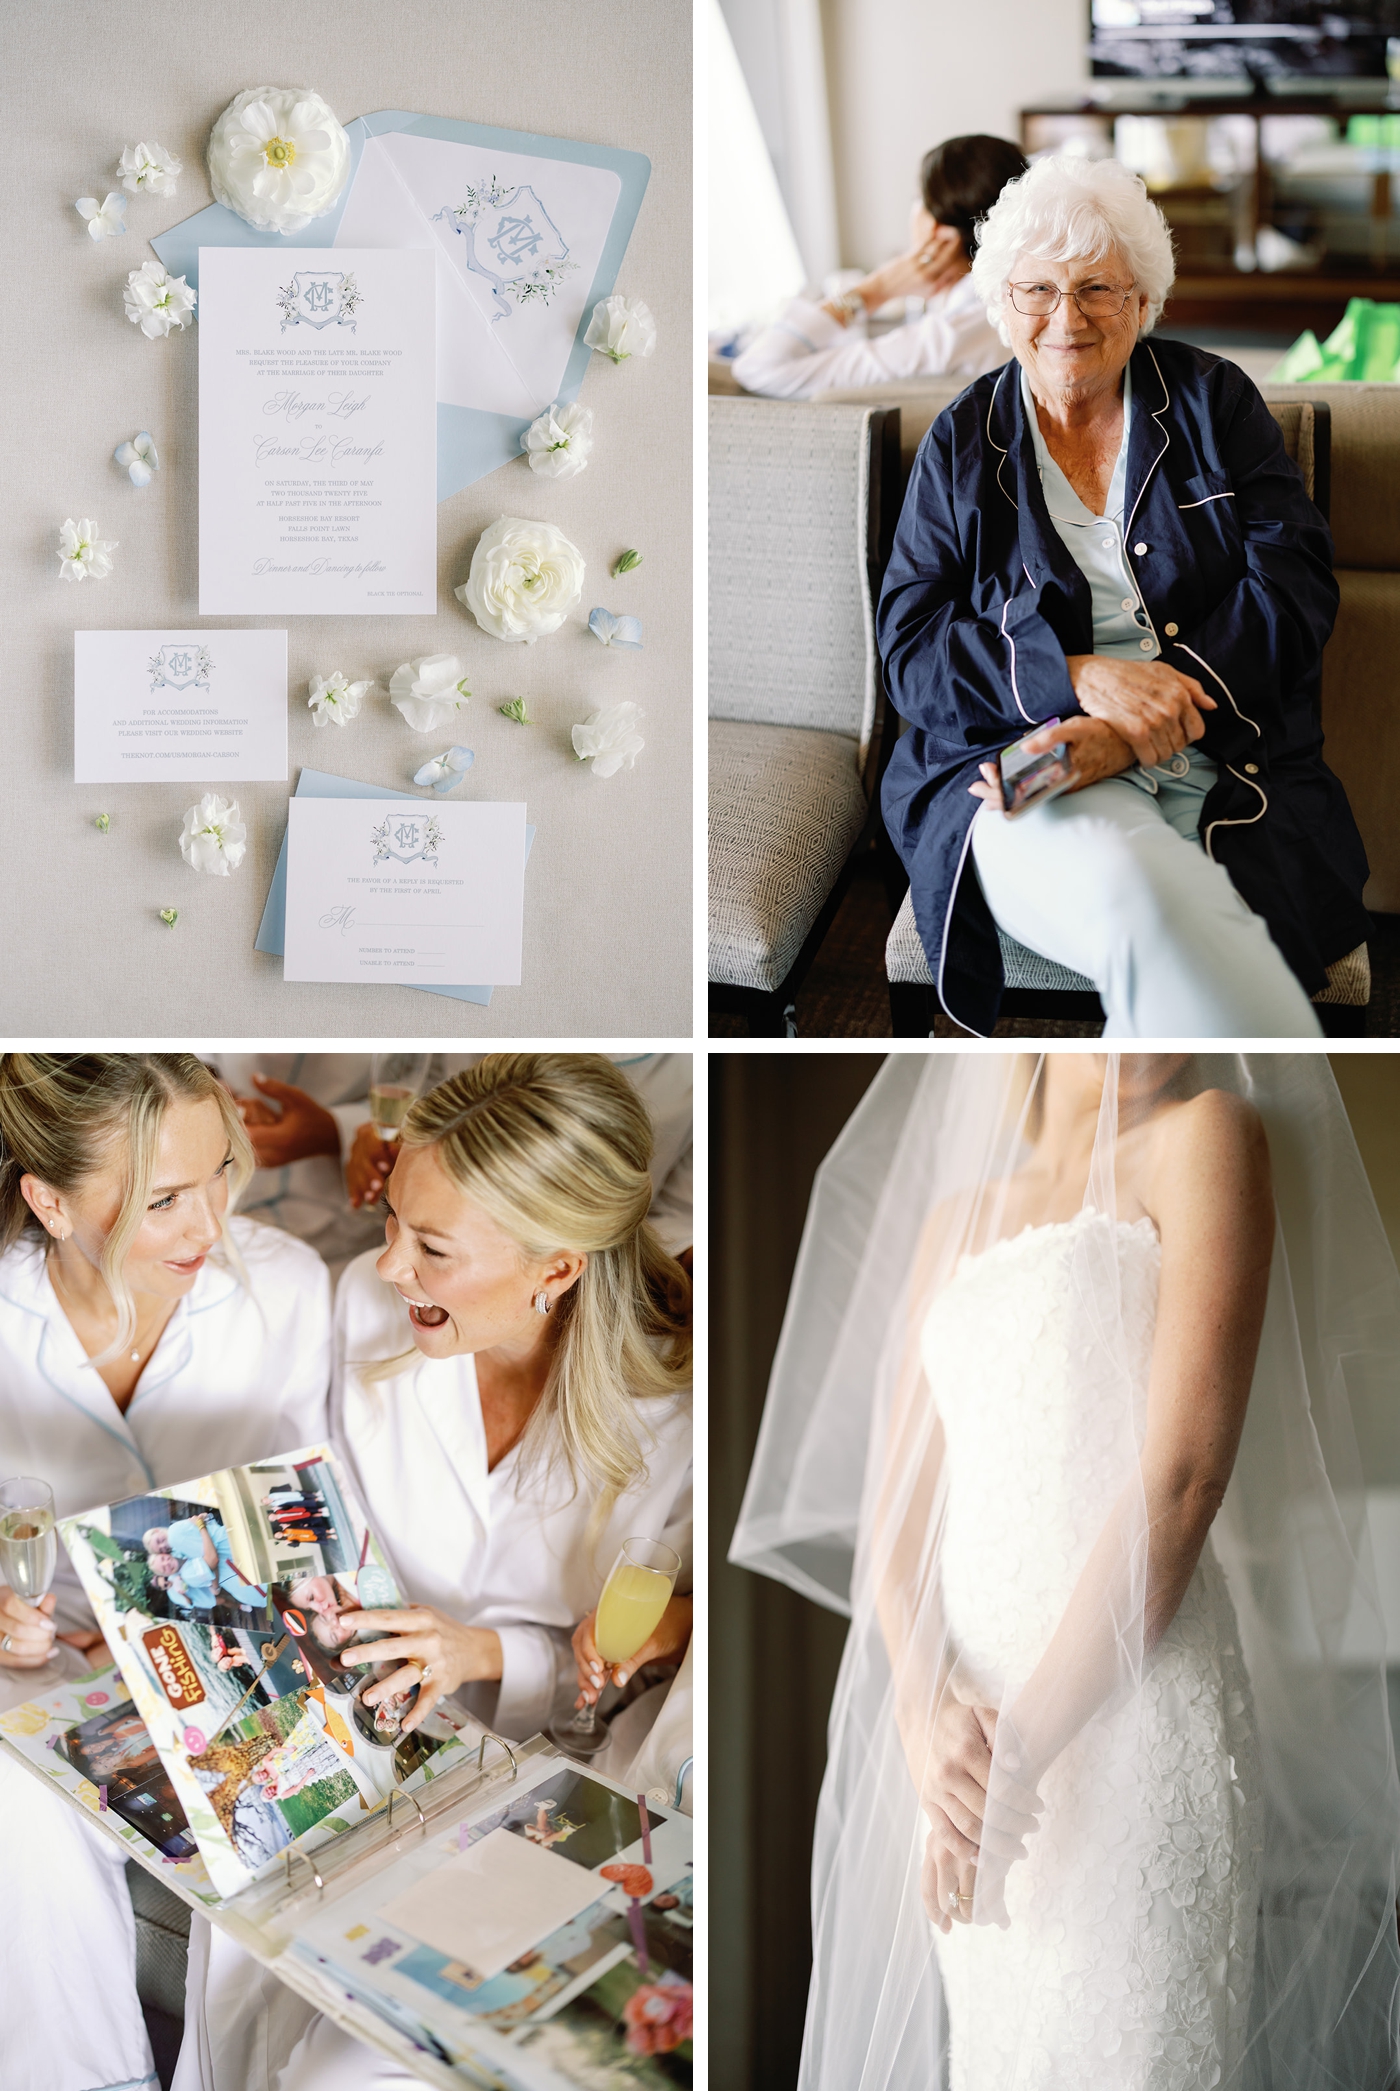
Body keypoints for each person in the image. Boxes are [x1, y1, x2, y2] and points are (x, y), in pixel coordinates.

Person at [730, 1054, 1400, 2089]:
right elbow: (895, 1514)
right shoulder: (952, 1216)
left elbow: (1180, 1480)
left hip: (1134, 1720)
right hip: (963, 1748)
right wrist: (923, 1726)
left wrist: (1020, 1758)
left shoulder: (1203, 1136)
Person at [176, 1053, 693, 2091]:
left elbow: (622, 1680)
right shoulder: (360, 1319)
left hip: (542, 1801)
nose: (389, 1268)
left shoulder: (681, 1410)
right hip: (344, 1759)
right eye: (393, 1223)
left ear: (555, 1267)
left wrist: (491, 1655)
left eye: (434, 1249)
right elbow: (286, 1546)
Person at [879, 154, 1370, 1037]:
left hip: (1228, 760)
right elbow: (911, 653)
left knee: (1184, 933)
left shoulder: (1216, 403)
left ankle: (1110, 1166)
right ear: (1000, 304)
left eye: (1098, 289)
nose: (1066, 319)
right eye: (1036, 291)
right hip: (1031, 767)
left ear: (1142, 303)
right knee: (1148, 904)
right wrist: (1075, 678)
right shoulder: (960, 444)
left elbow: (1294, 593)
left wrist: (1130, 727)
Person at [0, 1052, 331, 2091]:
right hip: (41, 1666)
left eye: (221, 1173)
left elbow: (310, 1535)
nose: (210, 1224)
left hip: (237, 1663)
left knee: (264, 1804)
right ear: (48, 1202)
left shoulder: (285, 1287)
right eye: (164, 1200)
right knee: (17, 1796)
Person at [732, 135, 1027, 399]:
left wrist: (877, 288)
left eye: (917, 200)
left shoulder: (951, 334)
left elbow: (759, 368)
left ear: (942, 235)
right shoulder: (1001, 306)